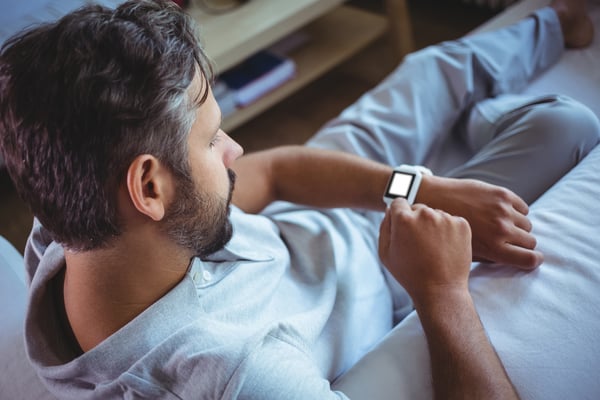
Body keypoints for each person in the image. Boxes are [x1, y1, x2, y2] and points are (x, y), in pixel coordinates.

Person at [0, 0, 598, 398]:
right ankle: (479, 123)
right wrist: (439, 292)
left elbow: (281, 169)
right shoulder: (239, 371)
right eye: (212, 139)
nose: (233, 149)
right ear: (149, 188)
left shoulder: (71, 230)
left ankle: (523, 59)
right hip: (387, 261)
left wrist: (420, 185)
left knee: (428, 72)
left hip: (310, 217)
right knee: (565, 125)